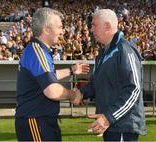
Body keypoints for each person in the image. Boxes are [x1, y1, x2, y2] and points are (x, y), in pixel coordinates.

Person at [15, 8, 89, 141]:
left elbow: (47, 77)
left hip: (40, 121)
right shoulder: (38, 52)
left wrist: (72, 70)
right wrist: (74, 95)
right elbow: (52, 91)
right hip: (36, 121)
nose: (62, 31)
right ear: (46, 29)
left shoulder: (38, 50)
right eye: (59, 27)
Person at [75, 9, 146, 141]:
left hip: (123, 126)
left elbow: (134, 90)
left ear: (107, 26)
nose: (91, 29)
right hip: (111, 125)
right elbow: (96, 84)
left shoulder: (125, 49)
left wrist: (108, 117)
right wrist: (81, 92)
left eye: (94, 25)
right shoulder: (103, 54)